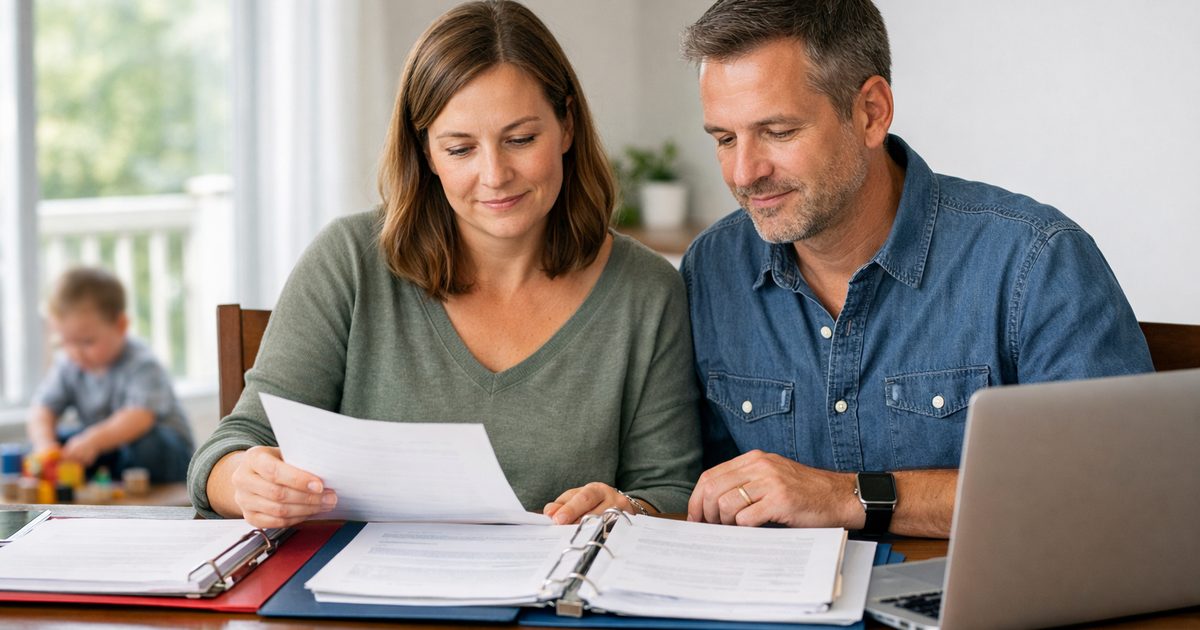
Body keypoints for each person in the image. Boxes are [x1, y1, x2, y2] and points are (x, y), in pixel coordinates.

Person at [187, 0, 701, 528]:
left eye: (521, 139)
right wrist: (247, 480)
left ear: (566, 125)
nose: (495, 174)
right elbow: (232, 448)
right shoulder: (349, 261)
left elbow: (671, 489)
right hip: (358, 600)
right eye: (460, 149)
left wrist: (630, 508)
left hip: (556, 604)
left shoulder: (646, 292)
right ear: (426, 153)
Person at [678, 0, 1153, 537]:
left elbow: (1112, 488)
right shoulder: (711, 269)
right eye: (724, 138)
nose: (745, 172)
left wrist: (847, 495)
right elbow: (697, 485)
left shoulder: (1035, 260)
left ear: (872, 112)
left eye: (780, 131)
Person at [27, 266, 195, 482]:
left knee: (146, 443)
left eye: (87, 342)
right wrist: (45, 445)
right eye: (65, 342)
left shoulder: (142, 364)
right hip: (110, 449)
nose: (75, 352)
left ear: (121, 326)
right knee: (61, 443)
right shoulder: (68, 365)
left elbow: (139, 417)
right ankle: (99, 476)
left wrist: (92, 440)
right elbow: (42, 409)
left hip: (164, 455)